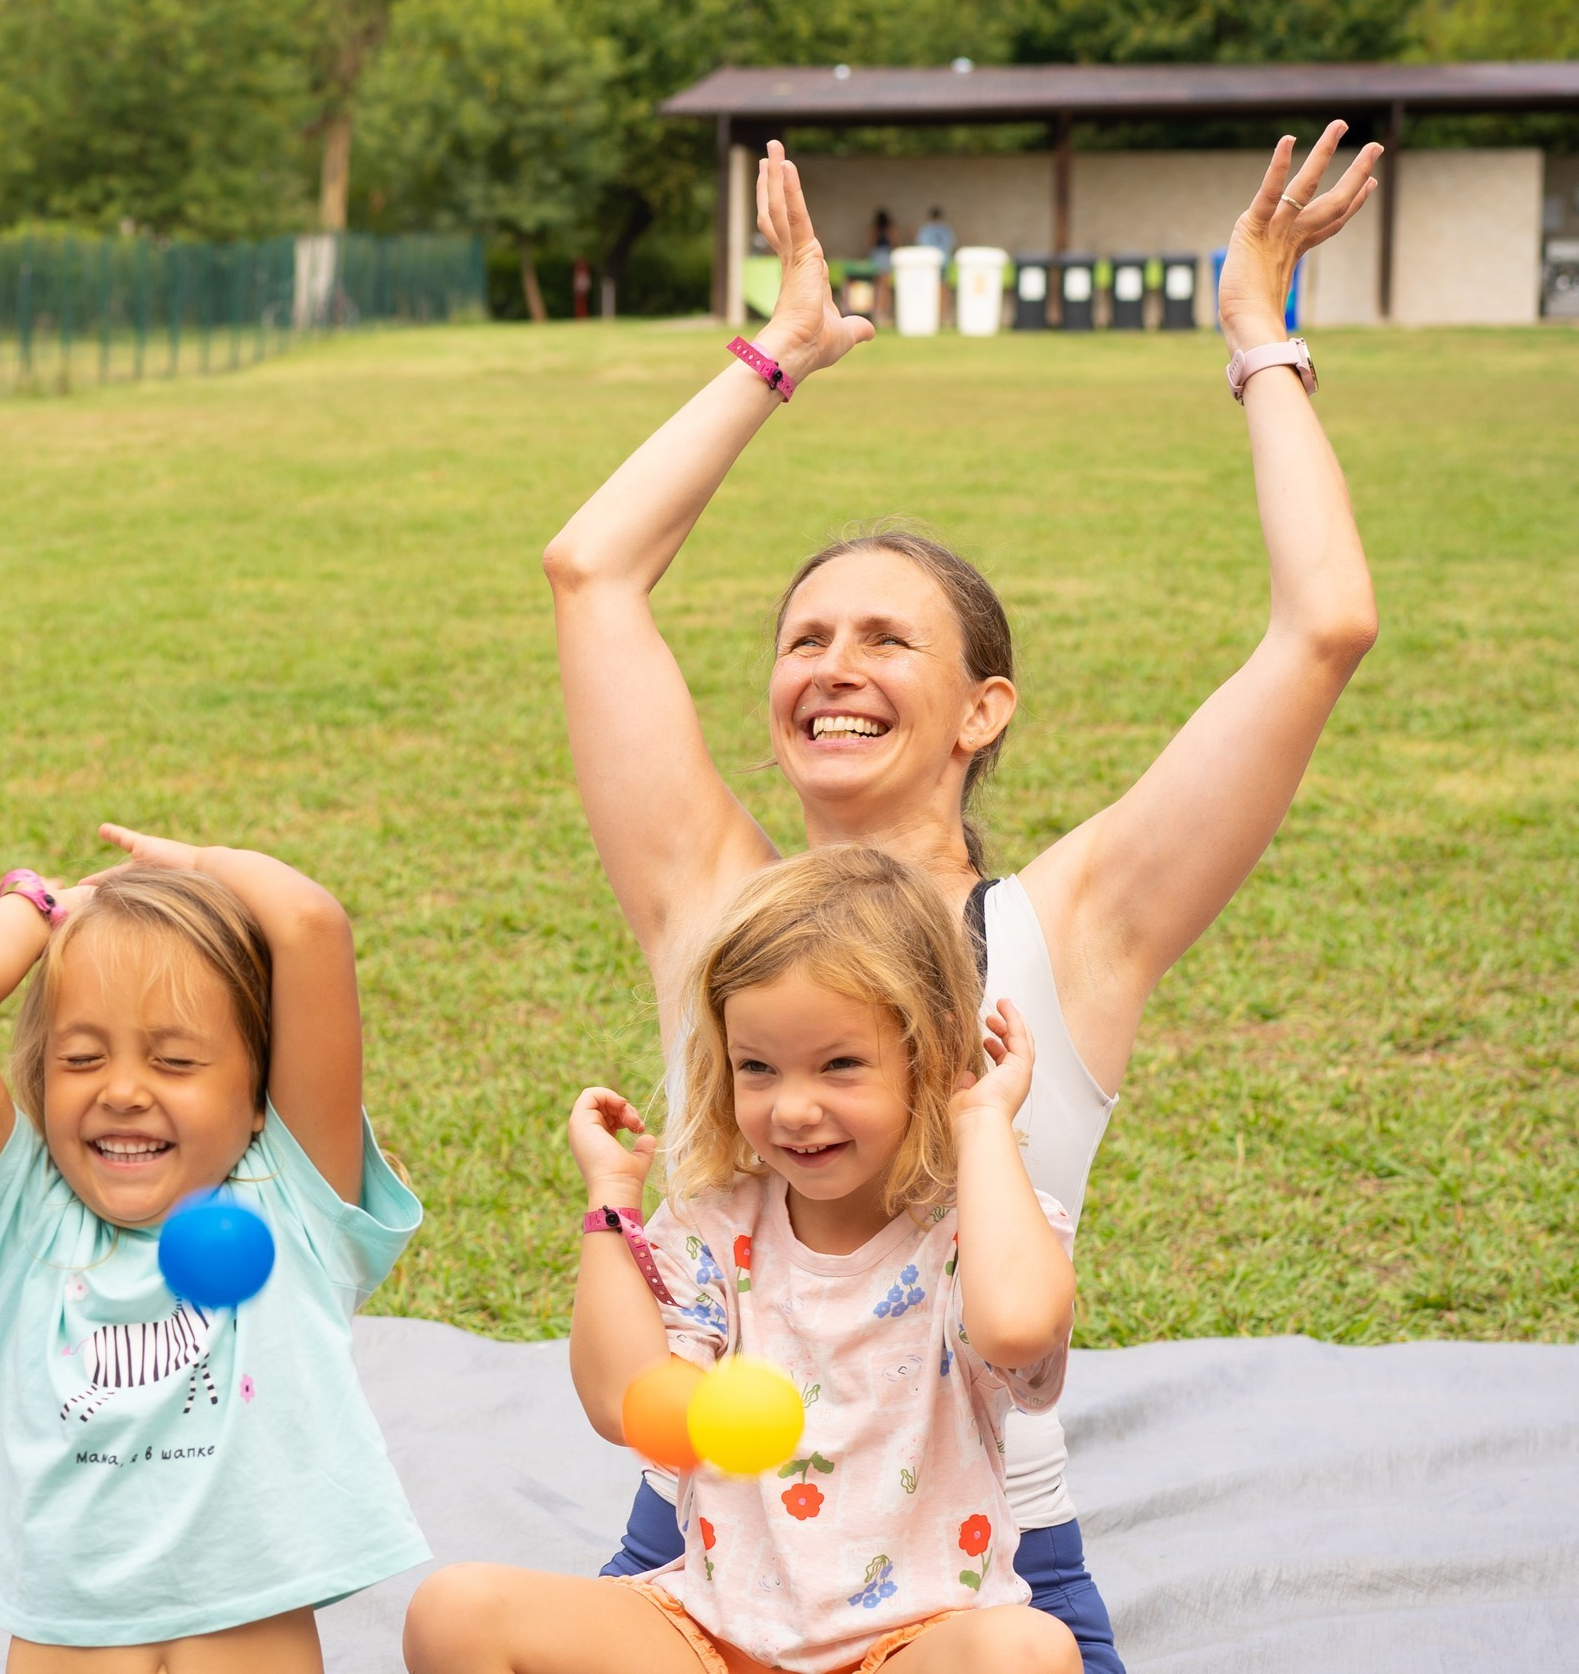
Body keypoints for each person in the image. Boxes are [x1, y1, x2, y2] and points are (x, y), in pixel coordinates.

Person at [538, 125, 1382, 1674]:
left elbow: (1322, 624)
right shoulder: (715, 902)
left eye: (884, 640)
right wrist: (778, 352)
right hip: (704, 1560)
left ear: (983, 709)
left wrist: (1263, 343)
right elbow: (592, 570)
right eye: (804, 639)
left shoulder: (1072, 931)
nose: (832, 666)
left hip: (976, 1588)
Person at [404, 848, 1082, 1674]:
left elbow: (1017, 1331)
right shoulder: (714, 1224)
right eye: (757, 1067)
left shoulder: (978, 1229)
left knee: (1030, 1651)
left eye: (840, 1064)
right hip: (710, 1638)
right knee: (457, 1611)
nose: (794, 1106)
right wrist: (614, 1200)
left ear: (931, 1053)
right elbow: (626, 1404)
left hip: (909, 1646)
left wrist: (976, 1119)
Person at [0, 825, 428, 1671]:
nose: (124, 1090)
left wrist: (201, 868)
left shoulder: (295, 1198)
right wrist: (48, 905)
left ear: (258, 1095)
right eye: (81, 1057)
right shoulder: (18, 1223)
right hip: (66, 1640)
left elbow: (311, 925)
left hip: (250, 1633)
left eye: (175, 1060)